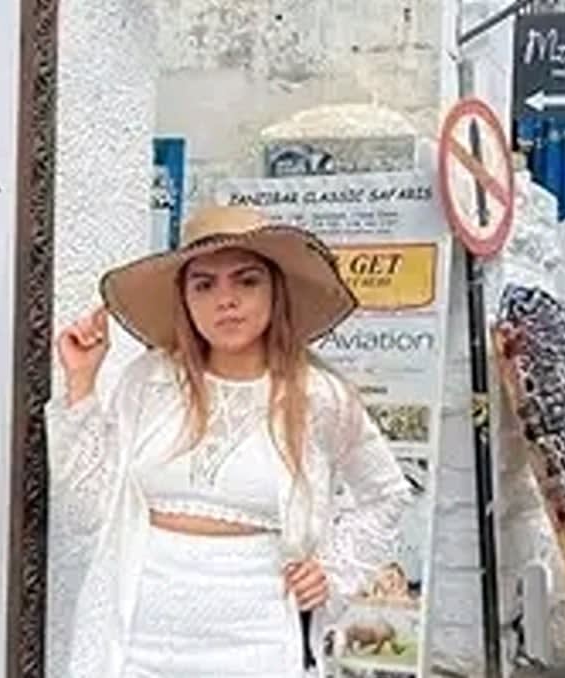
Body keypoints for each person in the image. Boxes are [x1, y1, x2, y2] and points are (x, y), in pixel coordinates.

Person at [48, 205, 411, 677]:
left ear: (275, 289)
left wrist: (333, 570)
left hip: (256, 642)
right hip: (136, 640)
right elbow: (88, 508)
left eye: (246, 280)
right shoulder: (150, 381)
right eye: (204, 285)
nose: (226, 300)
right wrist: (81, 383)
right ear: (185, 299)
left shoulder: (319, 397)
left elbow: (386, 494)